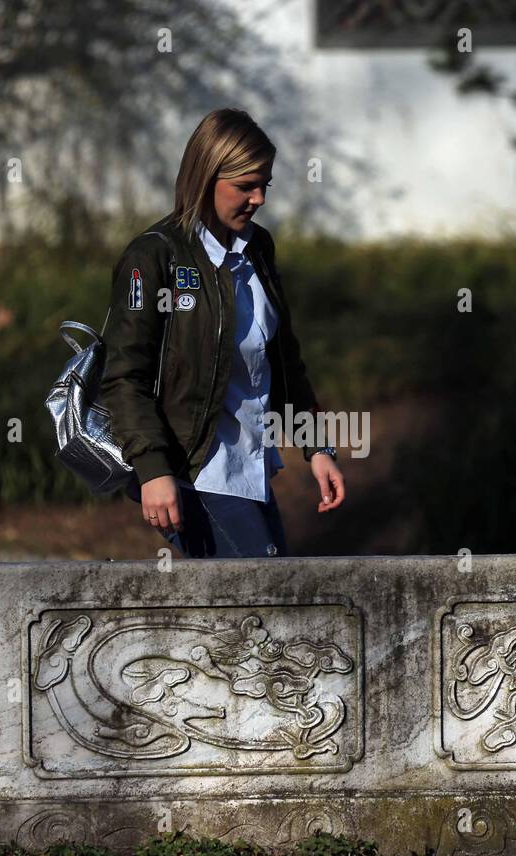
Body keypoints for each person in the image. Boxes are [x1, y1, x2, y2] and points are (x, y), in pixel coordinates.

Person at [97, 108, 345, 558]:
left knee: (262, 609)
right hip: (192, 474)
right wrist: (154, 471)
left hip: (251, 469)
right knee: (268, 606)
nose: (259, 199)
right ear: (205, 177)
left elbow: (284, 360)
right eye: (245, 186)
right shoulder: (153, 257)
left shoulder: (258, 249)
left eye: (264, 185)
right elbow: (122, 377)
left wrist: (317, 448)